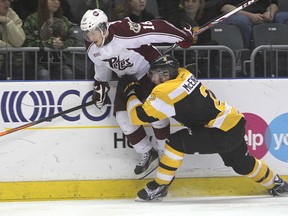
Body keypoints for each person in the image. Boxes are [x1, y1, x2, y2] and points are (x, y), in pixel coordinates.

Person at [117, 54, 288, 201]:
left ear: (165, 75)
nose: (150, 78)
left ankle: (159, 186)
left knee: (175, 142)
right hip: (233, 122)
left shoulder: (165, 92)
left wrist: (131, 92)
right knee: (242, 164)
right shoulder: (184, 74)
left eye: (153, 74)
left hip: (220, 131)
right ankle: (277, 183)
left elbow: (136, 117)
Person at [80, 9, 194, 179]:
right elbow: (101, 64)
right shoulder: (91, 46)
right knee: (123, 118)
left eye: (93, 32)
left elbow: (155, 29)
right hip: (127, 79)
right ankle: (149, 153)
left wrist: (182, 36)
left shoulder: (123, 31)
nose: (90, 37)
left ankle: (165, 154)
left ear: (103, 28)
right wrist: (100, 84)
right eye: (87, 33)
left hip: (149, 71)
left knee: (156, 115)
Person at [23, 0, 76, 80]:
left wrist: (62, 44)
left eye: (58, 0)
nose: (56, 2)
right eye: (52, 0)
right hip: (36, 63)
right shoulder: (32, 19)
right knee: (44, 74)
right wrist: (49, 43)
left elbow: (73, 40)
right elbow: (27, 42)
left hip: (58, 63)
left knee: (68, 73)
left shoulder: (64, 20)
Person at [217, 0, 288, 49]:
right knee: (242, 20)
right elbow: (224, 7)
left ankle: (280, 54)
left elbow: (273, 3)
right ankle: (248, 52)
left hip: (262, 15)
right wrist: (250, 16)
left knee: (285, 16)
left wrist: (270, 13)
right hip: (239, 14)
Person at [0, 0, 26, 80]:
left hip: (8, 64)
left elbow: (19, 42)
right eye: (3, 0)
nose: (7, 3)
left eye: (9, 0)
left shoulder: (11, 14)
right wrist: (7, 46)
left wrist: (8, 22)